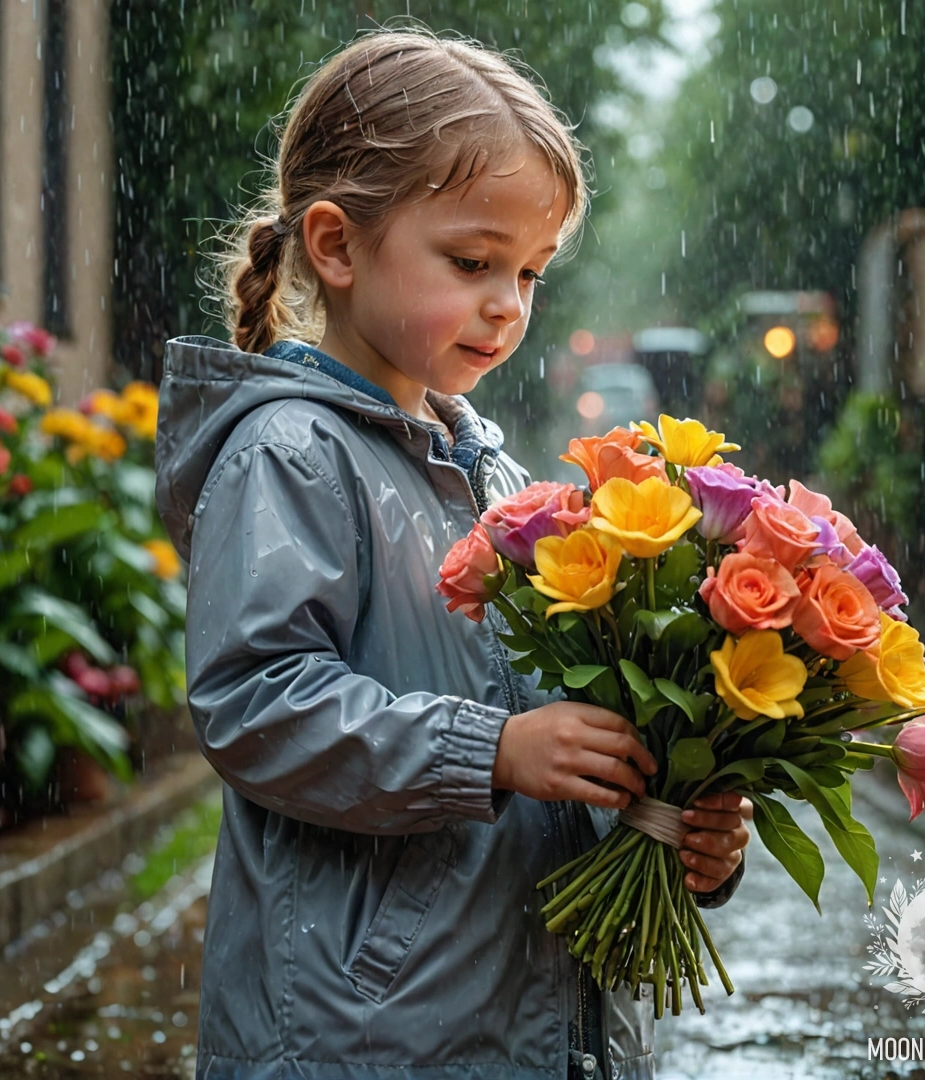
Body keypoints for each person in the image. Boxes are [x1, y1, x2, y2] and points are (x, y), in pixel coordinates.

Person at [155, 28, 750, 1080]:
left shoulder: (503, 486)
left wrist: (667, 828)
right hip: (366, 1037)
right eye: (473, 262)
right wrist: (492, 752)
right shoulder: (290, 453)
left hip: (521, 1029)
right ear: (337, 247)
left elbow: (557, 751)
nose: (507, 304)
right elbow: (255, 699)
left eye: (529, 272)